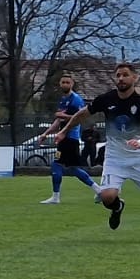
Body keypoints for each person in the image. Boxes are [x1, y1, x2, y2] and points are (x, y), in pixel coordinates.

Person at [33, 62, 140, 241]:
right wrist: (63, 131)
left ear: (134, 78)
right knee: (107, 196)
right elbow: (81, 115)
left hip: (139, 158)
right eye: (118, 75)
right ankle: (117, 207)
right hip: (115, 158)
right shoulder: (107, 99)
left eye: (125, 75)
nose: (121, 78)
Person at [35, 72, 100, 204]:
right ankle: (98, 190)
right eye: (63, 82)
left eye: (67, 82)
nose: (65, 84)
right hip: (65, 138)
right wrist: (45, 133)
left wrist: (62, 116)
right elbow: (58, 120)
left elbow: (80, 117)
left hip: (70, 137)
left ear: (72, 84)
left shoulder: (75, 99)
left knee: (57, 164)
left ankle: (56, 197)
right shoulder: (63, 100)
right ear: (60, 83)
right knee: (72, 168)